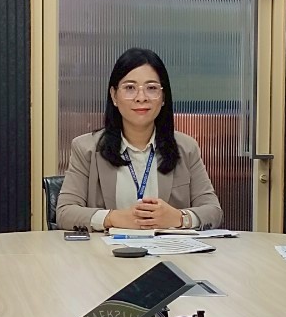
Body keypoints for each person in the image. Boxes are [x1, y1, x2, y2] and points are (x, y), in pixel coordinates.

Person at [56, 48, 223, 232]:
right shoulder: (86, 148)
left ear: (163, 96)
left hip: (168, 250)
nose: (141, 98)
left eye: (151, 88)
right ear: (114, 95)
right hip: (108, 249)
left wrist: (179, 218)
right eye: (130, 88)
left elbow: (213, 211)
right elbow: (65, 213)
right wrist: (113, 218)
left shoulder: (186, 147)